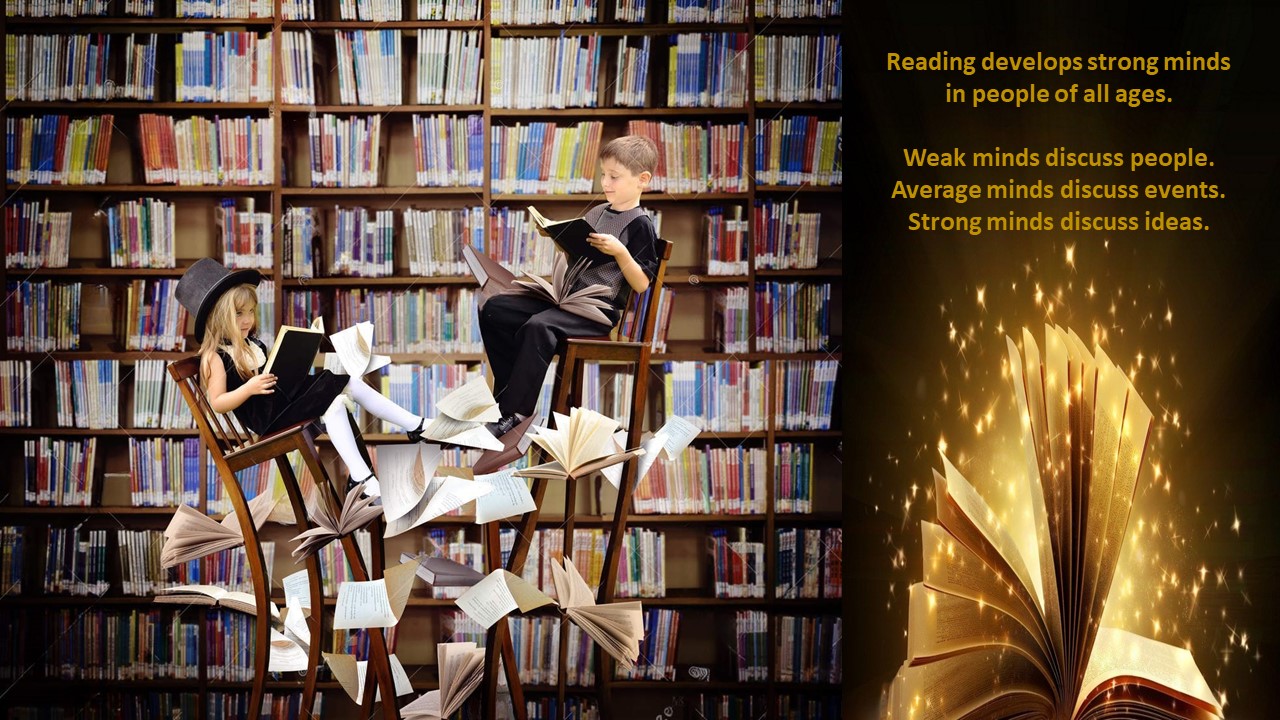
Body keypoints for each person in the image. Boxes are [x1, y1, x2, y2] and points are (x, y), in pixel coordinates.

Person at [476, 135, 660, 460]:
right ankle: (506, 394)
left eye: (614, 177)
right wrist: (556, 233)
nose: (606, 182)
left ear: (642, 180)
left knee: (539, 327)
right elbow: (579, 245)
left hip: (595, 310)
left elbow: (642, 283)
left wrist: (620, 252)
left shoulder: (640, 225)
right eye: (604, 174)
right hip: (566, 299)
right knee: (496, 308)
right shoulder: (600, 211)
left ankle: (518, 413)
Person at [175, 258, 431, 489]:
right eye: (238, 313)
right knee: (337, 388)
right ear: (217, 318)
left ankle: (367, 472)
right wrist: (248, 388)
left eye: (251, 312)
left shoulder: (252, 344)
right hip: (267, 417)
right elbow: (218, 403)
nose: (247, 320)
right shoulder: (215, 356)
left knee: (340, 395)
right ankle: (406, 434)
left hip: (281, 401)